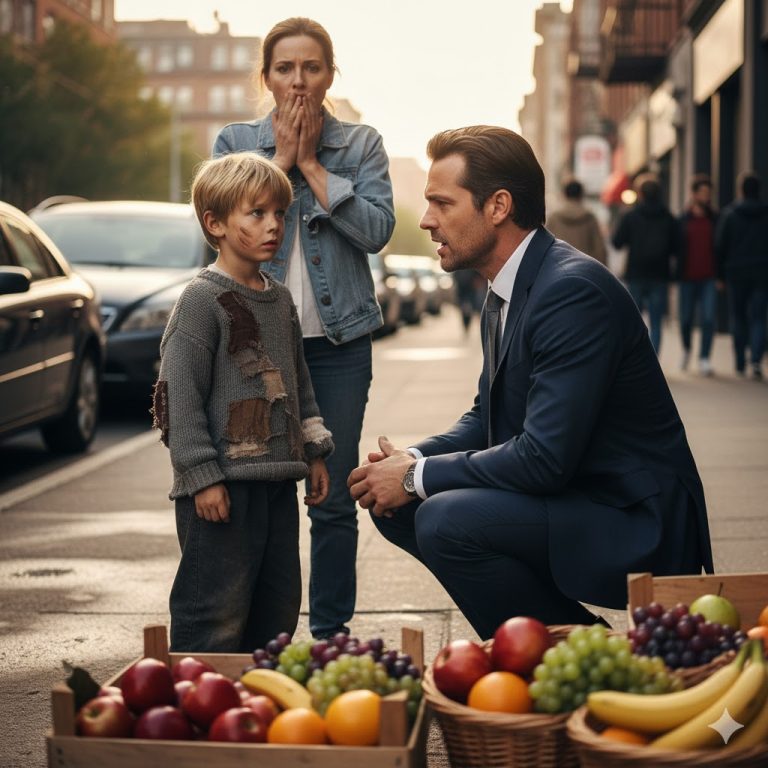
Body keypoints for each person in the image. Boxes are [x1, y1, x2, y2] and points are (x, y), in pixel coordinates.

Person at [347, 126, 713, 640]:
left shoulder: (571, 292)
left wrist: (416, 476)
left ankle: (576, 656)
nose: (428, 220)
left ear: (498, 206)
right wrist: (408, 462)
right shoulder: (505, 290)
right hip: (577, 493)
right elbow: (486, 416)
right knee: (398, 508)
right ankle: (577, 642)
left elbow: (543, 459)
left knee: (441, 517)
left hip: (631, 517)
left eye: (442, 203)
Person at [212, 18, 395, 640]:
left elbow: (375, 232)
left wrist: (313, 164)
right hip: (253, 348)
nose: (297, 81)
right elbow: (217, 232)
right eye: (284, 68)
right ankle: (264, 636)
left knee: (334, 499)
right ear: (266, 77)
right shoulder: (235, 140)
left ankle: (330, 636)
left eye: (311, 67)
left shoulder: (362, 145)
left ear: (329, 76)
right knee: (260, 495)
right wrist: (279, 164)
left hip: (339, 347)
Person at [152, 152, 334, 652]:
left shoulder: (279, 299)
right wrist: (201, 477)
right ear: (216, 223)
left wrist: (313, 450)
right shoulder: (200, 301)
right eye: (256, 213)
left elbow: (299, 382)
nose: (274, 224)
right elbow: (178, 399)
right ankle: (200, 705)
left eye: (279, 212)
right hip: (221, 491)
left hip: (276, 482)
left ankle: (254, 705)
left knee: (276, 606)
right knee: (213, 608)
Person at [612, 174, 679, 354]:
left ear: (640, 194)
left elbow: (617, 242)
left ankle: (635, 359)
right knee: (656, 321)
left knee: (634, 320)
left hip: (636, 274)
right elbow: (677, 247)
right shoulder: (668, 216)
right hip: (660, 274)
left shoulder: (631, 216)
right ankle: (654, 360)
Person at [715, 171, 768, 380]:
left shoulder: (730, 214)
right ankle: (755, 360)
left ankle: (739, 361)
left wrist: (720, 275)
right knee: (758, 317)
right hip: (762, 273)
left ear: (741, 190)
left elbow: (720, 246)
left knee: (738, 316)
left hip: (736, 273)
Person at [678, 174, 719, 376]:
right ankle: (687, 349)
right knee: (685, 319)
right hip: (687, 277)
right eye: (702, 192)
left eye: (708, 193)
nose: (706, 196)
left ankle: (704, 357)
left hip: (709, 277)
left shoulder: (715, 218)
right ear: (694, 194)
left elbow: (721, 247)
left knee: (709, 319)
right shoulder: (683, 219)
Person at [546, 177, 607, 265]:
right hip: (585, 270)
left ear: (564, 195)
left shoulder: (554, 218)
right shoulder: (590, 218)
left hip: (558, 270)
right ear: (581, 195)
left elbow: (545, 246)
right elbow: (600, 251)